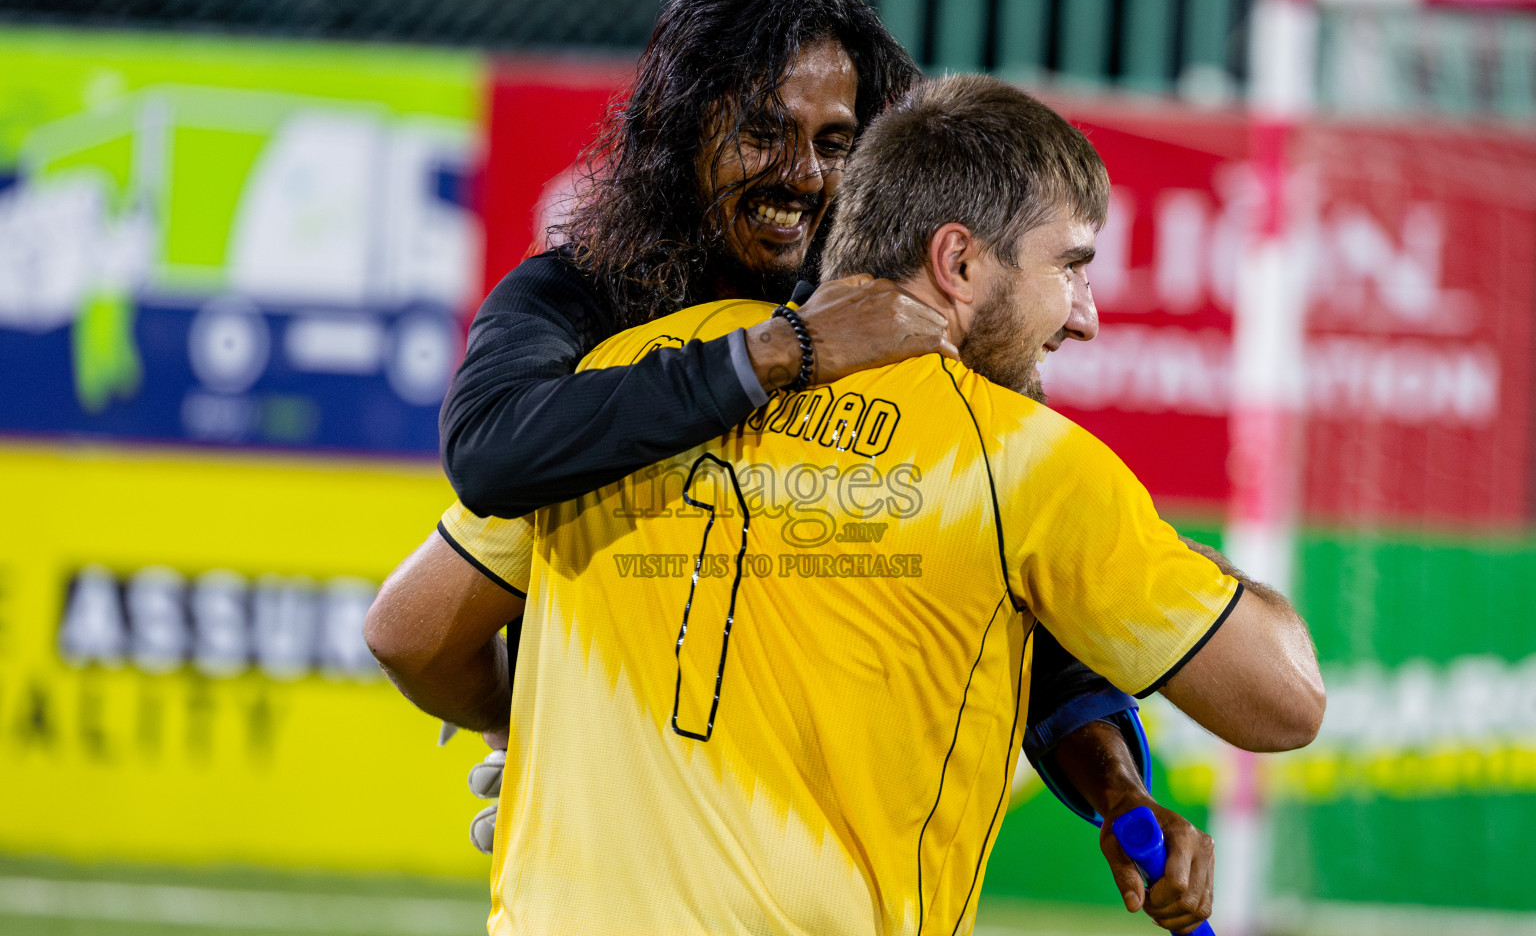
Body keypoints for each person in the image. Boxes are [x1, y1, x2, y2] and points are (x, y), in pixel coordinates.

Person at [373, 74, 1325, 935]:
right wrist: (1162, 548)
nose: (1085, 313)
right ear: (958, 261)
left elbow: (409, 631)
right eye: (1070, 267)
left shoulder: (637, 371)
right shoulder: (1027, 462)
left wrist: (529, 734)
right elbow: (1284, 704)